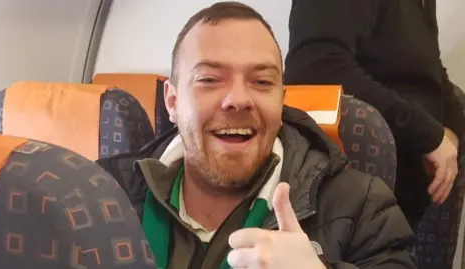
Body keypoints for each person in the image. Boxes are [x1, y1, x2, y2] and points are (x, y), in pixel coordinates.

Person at [97, 2, 417, 268]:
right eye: (209, 80)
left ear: (281, 102)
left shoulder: (364, 209)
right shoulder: (100, 193)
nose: (238, 99)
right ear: (173, 101)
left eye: (262, 82)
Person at [283, 0, 462, 228]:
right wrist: (426, 134)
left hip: (412, 194)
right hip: (353, 199)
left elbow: (431, 72)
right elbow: (315, 69)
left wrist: (450, 133)